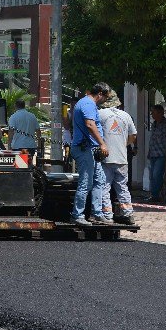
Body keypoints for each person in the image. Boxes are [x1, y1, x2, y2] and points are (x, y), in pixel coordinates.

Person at [70, 82, 111, 225]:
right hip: (85, 149)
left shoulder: (88, 104)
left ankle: (97, 213)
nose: (105, 100)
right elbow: (90, 124)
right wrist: (102, 143)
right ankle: (78, 215)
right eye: (106, 97)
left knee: (99, 180)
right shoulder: (87, 104)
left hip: (90, 149)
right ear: (100, 93)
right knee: (86, 182)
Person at [98, 91, 138, 224]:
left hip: (106, 157)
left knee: (105, 186)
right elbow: (133, 136)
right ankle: (128, 213)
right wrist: (123, 144)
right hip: (122, 158)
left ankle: (107, 215)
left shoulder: (100, 114)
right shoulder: (126, 116)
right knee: (122, 187)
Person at [146, 104, 166, 202]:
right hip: (153, 153)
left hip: (161, 154)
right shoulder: (154, 124)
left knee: (157, 175)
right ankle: (154, 195)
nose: (152, 114)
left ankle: (157, 195)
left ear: (160, 113)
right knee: (152, 175)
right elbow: (152, 139)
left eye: (153, 112)